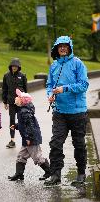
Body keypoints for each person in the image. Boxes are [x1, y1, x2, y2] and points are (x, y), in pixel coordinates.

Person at [45, 36, 89, 186]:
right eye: (59, 46)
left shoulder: (78, 64)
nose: (62, 48)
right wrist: (50, 95)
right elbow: (49, 84)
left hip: (77, 112)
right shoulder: (54, 65)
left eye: (65, 46)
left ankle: (81, 174)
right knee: (55, 143)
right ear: (56, 49)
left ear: (69, 47)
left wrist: (65, 88)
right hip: (59, 112)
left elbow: (84, 84)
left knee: (79, 144)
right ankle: (55, 175)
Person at [8, 89, 51, 181]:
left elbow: (30, 126)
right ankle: (19, 174)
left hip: (31, 138)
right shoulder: (23, 110)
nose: (16, 98)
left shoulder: (24, 112)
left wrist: (28, 138)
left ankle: (49, 171)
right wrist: (16, 126)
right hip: (27, 138)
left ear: (22, 101)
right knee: (21, 156)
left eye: (18, 97)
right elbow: (24, 125)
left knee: (37, 157)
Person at [2, 58, 27, 148]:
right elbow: (4, 89)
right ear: (10, 66)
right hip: (11, 102)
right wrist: (5, 102)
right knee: (12, 120)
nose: (14, 67)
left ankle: (26, 139)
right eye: (13, 66)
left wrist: (26, 101)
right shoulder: (6, 76)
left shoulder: (22, 76)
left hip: (21, 102)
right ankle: (12, 140)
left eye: (16, 66)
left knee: (22, 120)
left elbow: (26, 89)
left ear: (18, 67)